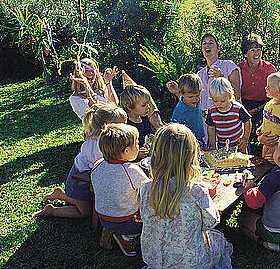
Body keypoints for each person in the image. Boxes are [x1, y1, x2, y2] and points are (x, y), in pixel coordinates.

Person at [139, 123, 233, 269]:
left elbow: (145, 216)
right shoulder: (195, 191)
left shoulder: (146, 188)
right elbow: (211, 222)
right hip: (189, 262)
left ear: (155, 155)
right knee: (220, 240)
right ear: (191, 156)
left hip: (154, 258)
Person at [32, 103, 127, 218]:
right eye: (122, 126)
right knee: (85, 212)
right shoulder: (95, 146)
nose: (125, 128)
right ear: (107, 127)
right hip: (80, 181)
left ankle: (62, 194)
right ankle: (52, 210)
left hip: (86, 177)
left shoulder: (105, 138)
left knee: (90, 202)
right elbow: (99, 169)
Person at [91, 123, 149, 257]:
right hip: (128, 221)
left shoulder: (97, 164)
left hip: (103, 218)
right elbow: (149, 190)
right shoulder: (131, 170)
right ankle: (126, 238)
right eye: (136, 144)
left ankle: (109, 231)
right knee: (151, 220)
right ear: (127, 150)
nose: (138, 147)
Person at [166, 33, 241, 114]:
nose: (207, 45)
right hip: (206, 123)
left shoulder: (229, 66)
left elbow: (237, 95)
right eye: (204, 43)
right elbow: (193, 102)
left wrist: (222, 78)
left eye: (211, 43)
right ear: (202, 49)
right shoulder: (199, 74)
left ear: (218, 48)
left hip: (229, 120)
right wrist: (177, 92)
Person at [237, 33, 277, 128]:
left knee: (261, 118)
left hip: (264, 105)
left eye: (259, 50)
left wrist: (257, 109)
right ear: (245, 54)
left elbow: (276, 95)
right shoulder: (239, 68)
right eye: (252, 50)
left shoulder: (269, 68)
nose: (257, 54)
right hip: (244, 104)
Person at [206, 78, 252, 152]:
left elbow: (247, 122)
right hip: (222, 146)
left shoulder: (237, 108)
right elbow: (211, 129)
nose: (219, 104)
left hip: (239, 146)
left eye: (222, 101)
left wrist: (245, 138)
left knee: (241, 162)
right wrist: (213, 146)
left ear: (230, 96)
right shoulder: (212, 111)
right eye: (215, 101)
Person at [257, 73, 280, 164]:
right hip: (266, 143)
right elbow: (268, 120)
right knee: (264, 164)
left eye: (269, 87)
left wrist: (278, 147)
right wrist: (261, 128)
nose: (266, 88)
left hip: (277, 146)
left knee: (272, 165)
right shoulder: (269, 104)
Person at [119, 84, 163, 158]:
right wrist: (136, 153)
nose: (148, 107)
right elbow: (121, 149)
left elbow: (145, 134)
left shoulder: (144, 118)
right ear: (129, 106)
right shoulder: (124, 124)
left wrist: (145, 144)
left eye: (148, 104)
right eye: (143, 105)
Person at [170, 73, 206, 147]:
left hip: (199, 137)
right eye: (191, 97)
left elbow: (196, 111)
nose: (195, 99)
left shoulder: (195, 101)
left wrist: (204, 114)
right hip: (187, 141)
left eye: (197, 95)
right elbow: (173, 128)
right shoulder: (180, 110)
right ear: (183, 94)